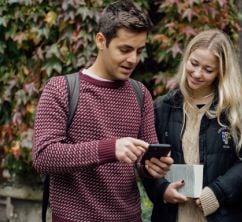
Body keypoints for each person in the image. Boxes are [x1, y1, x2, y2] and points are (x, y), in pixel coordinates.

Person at [32, 1, 172, 221]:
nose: (133, 59)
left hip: (128, 217)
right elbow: (44, 156)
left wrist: (152, 166)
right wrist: (110, 149)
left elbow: (143, 157)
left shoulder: (140, 93)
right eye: (125, 49)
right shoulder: (61, 88)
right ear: (101, 41)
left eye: (138, 51)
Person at [142, 29, 242, 222]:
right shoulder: (162, 107)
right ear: (187, 58)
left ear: (221, 72)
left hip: (221, 215)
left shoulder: (237, 111)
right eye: (194, 63)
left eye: (208, 70)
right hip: (172, 215)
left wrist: (218, 192)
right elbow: (146, 163)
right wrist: (162, 190)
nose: (197, 74)